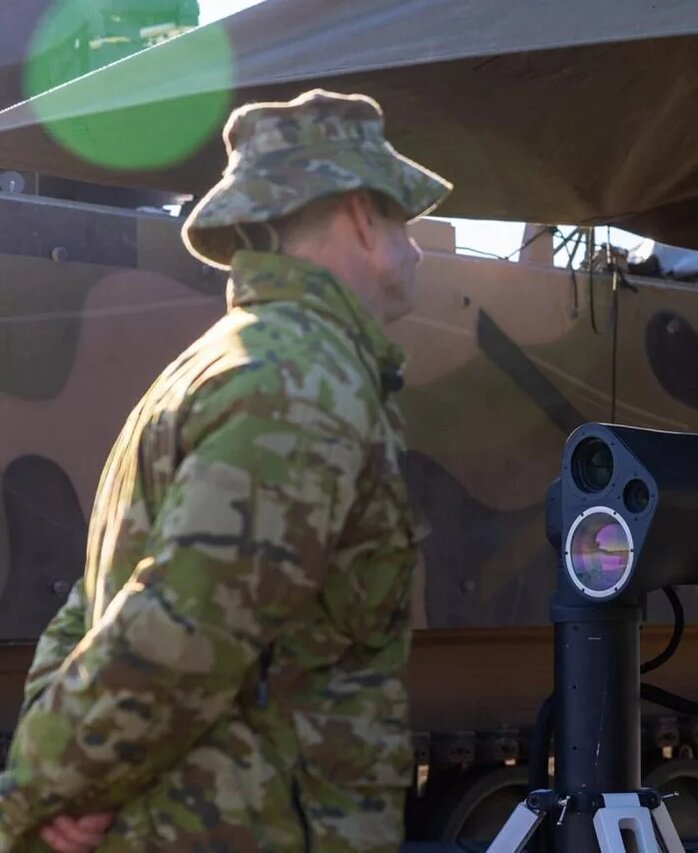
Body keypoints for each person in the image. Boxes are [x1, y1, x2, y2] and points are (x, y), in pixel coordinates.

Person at [0, 88, 451, 851]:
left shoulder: (217, 363)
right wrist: (36, 801)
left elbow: (92, 605)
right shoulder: (298, 381)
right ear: (361, 217)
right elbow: (178, 631)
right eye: (405, 218)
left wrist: (60, 774)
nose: (414, 247)